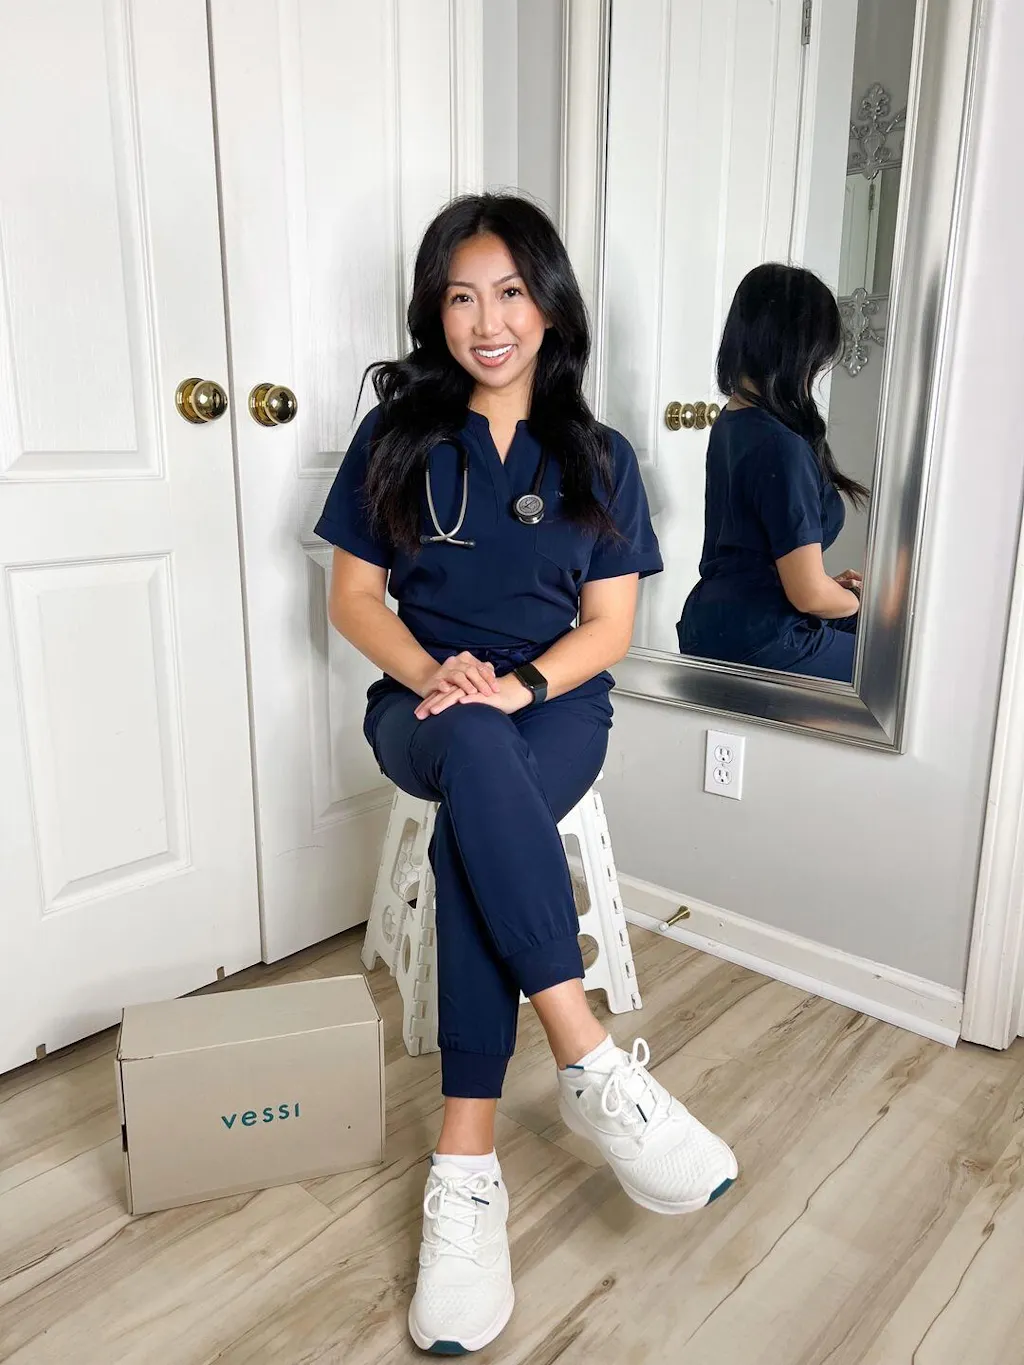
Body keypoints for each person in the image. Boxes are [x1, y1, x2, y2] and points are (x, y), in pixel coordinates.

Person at [316, 194, 738, 1355]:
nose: (486, 320)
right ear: (434, 311)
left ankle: (464, 1172)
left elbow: (609, 628)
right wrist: (435, 673)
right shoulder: (396, 438)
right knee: (469, 752)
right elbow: (353, 599)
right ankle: (587, 1060)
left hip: (554, 711)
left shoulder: (600, 458)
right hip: (418, 707)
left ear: (550, 304)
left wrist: (520, 686)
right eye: (460, 296)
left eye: (508, 292)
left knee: (479, 798)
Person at [677, 263, 869, 682]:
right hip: (763, 637)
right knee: (895, 664)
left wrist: (827, 588)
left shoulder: (732, 422)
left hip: (710, 623)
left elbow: (756, 554)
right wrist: (858, 602)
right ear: (798, 352)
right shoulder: (782, 446)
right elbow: (808, 595)